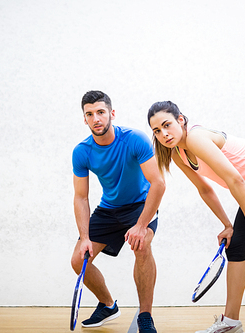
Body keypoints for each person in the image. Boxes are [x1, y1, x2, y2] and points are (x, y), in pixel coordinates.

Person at [147, 101, 245, 333]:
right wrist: (228, 225)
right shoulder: (177, 153)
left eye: (167, 125)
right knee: (236, 246)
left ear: (181, 120)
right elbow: (205, 189)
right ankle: (230, 323)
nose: (163, 134)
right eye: (157, 131)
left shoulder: (196, 138)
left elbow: (235, 179)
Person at [71, 91, 165, 333]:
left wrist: (142, 225)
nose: (96, 118)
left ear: (111, 113)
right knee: (78, 261)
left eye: (101, 112)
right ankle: (108, 304)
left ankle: (145, 315)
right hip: (109, 210)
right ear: (84, 119)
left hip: (139, 206)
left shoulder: (134, 139)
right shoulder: (82, 152)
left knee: (141, 245)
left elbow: (158, 183)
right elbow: (81, 197)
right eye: (89, 114)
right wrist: (84, 238)